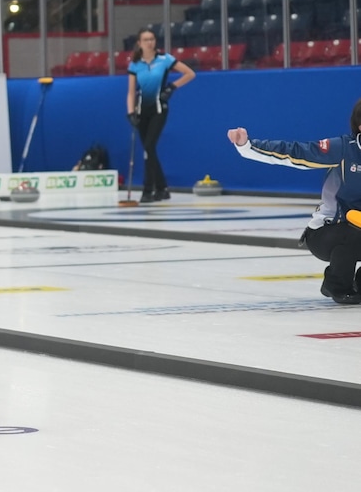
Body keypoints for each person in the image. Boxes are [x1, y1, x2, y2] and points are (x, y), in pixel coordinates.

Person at [226, 100, 361, 304]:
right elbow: (296, 153)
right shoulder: (343, 149)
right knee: (352, 233)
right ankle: (337, 285)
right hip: (328, 232)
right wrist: (247, 146)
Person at [127, 27, 194, 202]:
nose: (150, 42)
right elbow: (131, 92)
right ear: (139, 43)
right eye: (146, 39)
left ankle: (148, 190)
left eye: (152, 39)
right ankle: (162, 188)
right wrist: (130, 112)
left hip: (159, 108)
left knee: (149, 146)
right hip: (142, 110)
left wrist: (172, 87)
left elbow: (189, 73)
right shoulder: (135, 64)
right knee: (149, 150)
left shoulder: (165, 59)